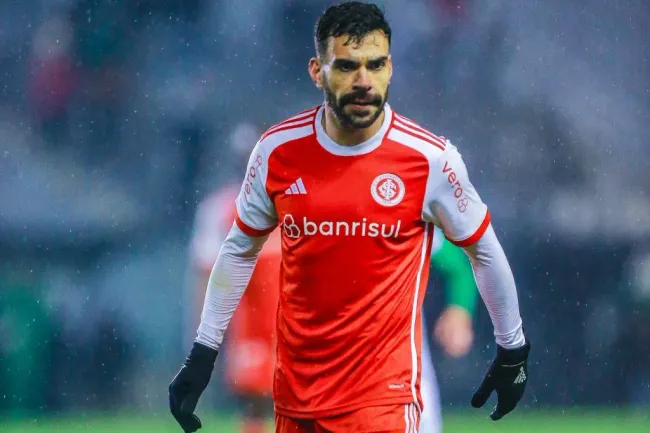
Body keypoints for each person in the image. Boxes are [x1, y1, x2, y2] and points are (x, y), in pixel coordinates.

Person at [169, 3, 531, 433]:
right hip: (296, 404)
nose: (363, 81)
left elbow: (483, 250)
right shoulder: (277, 153)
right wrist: (203, 352)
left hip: (383, 406)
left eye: (375, 65)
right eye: (346, 66)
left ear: (390, 68)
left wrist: (512, 350)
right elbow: (237, 252)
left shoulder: (429, 160)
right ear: (317, 71)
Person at [420, 225, 479, 433]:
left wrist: (459, 310)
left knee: (421, 422)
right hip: (331, 343)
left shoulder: (397, 215)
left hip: (399, 347)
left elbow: (458, 268)